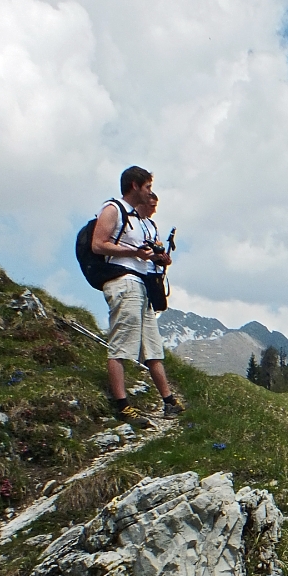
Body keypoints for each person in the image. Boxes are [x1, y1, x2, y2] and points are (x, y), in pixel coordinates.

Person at [90, 165, 185, 426]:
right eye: (147, 188)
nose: (150, 193)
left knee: (152, 347)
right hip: (123, 281)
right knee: (122, 344)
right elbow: (98, 245)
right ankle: (122, 405)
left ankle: (168, 401)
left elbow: (137, 252)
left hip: (140, 284)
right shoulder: (113, 209)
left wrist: (155, 258)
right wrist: (134, 253)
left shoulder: (138, 220)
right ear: (134, 185)